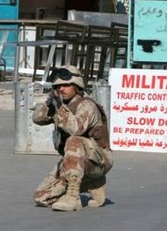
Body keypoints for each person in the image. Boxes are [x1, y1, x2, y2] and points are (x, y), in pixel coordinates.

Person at [32, 65, 114, 211]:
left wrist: (60, 108)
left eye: (66, 85)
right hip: (75, 162)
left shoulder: (86, 105)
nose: (61, 89)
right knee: (42, 197)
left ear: (77, 85)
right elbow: (37, 119)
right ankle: (92, 183)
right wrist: (50, 104)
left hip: (99, 160)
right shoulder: (61, 106)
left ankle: (72, 197)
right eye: (57, 86)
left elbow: (76, 129)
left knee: (74, 140)